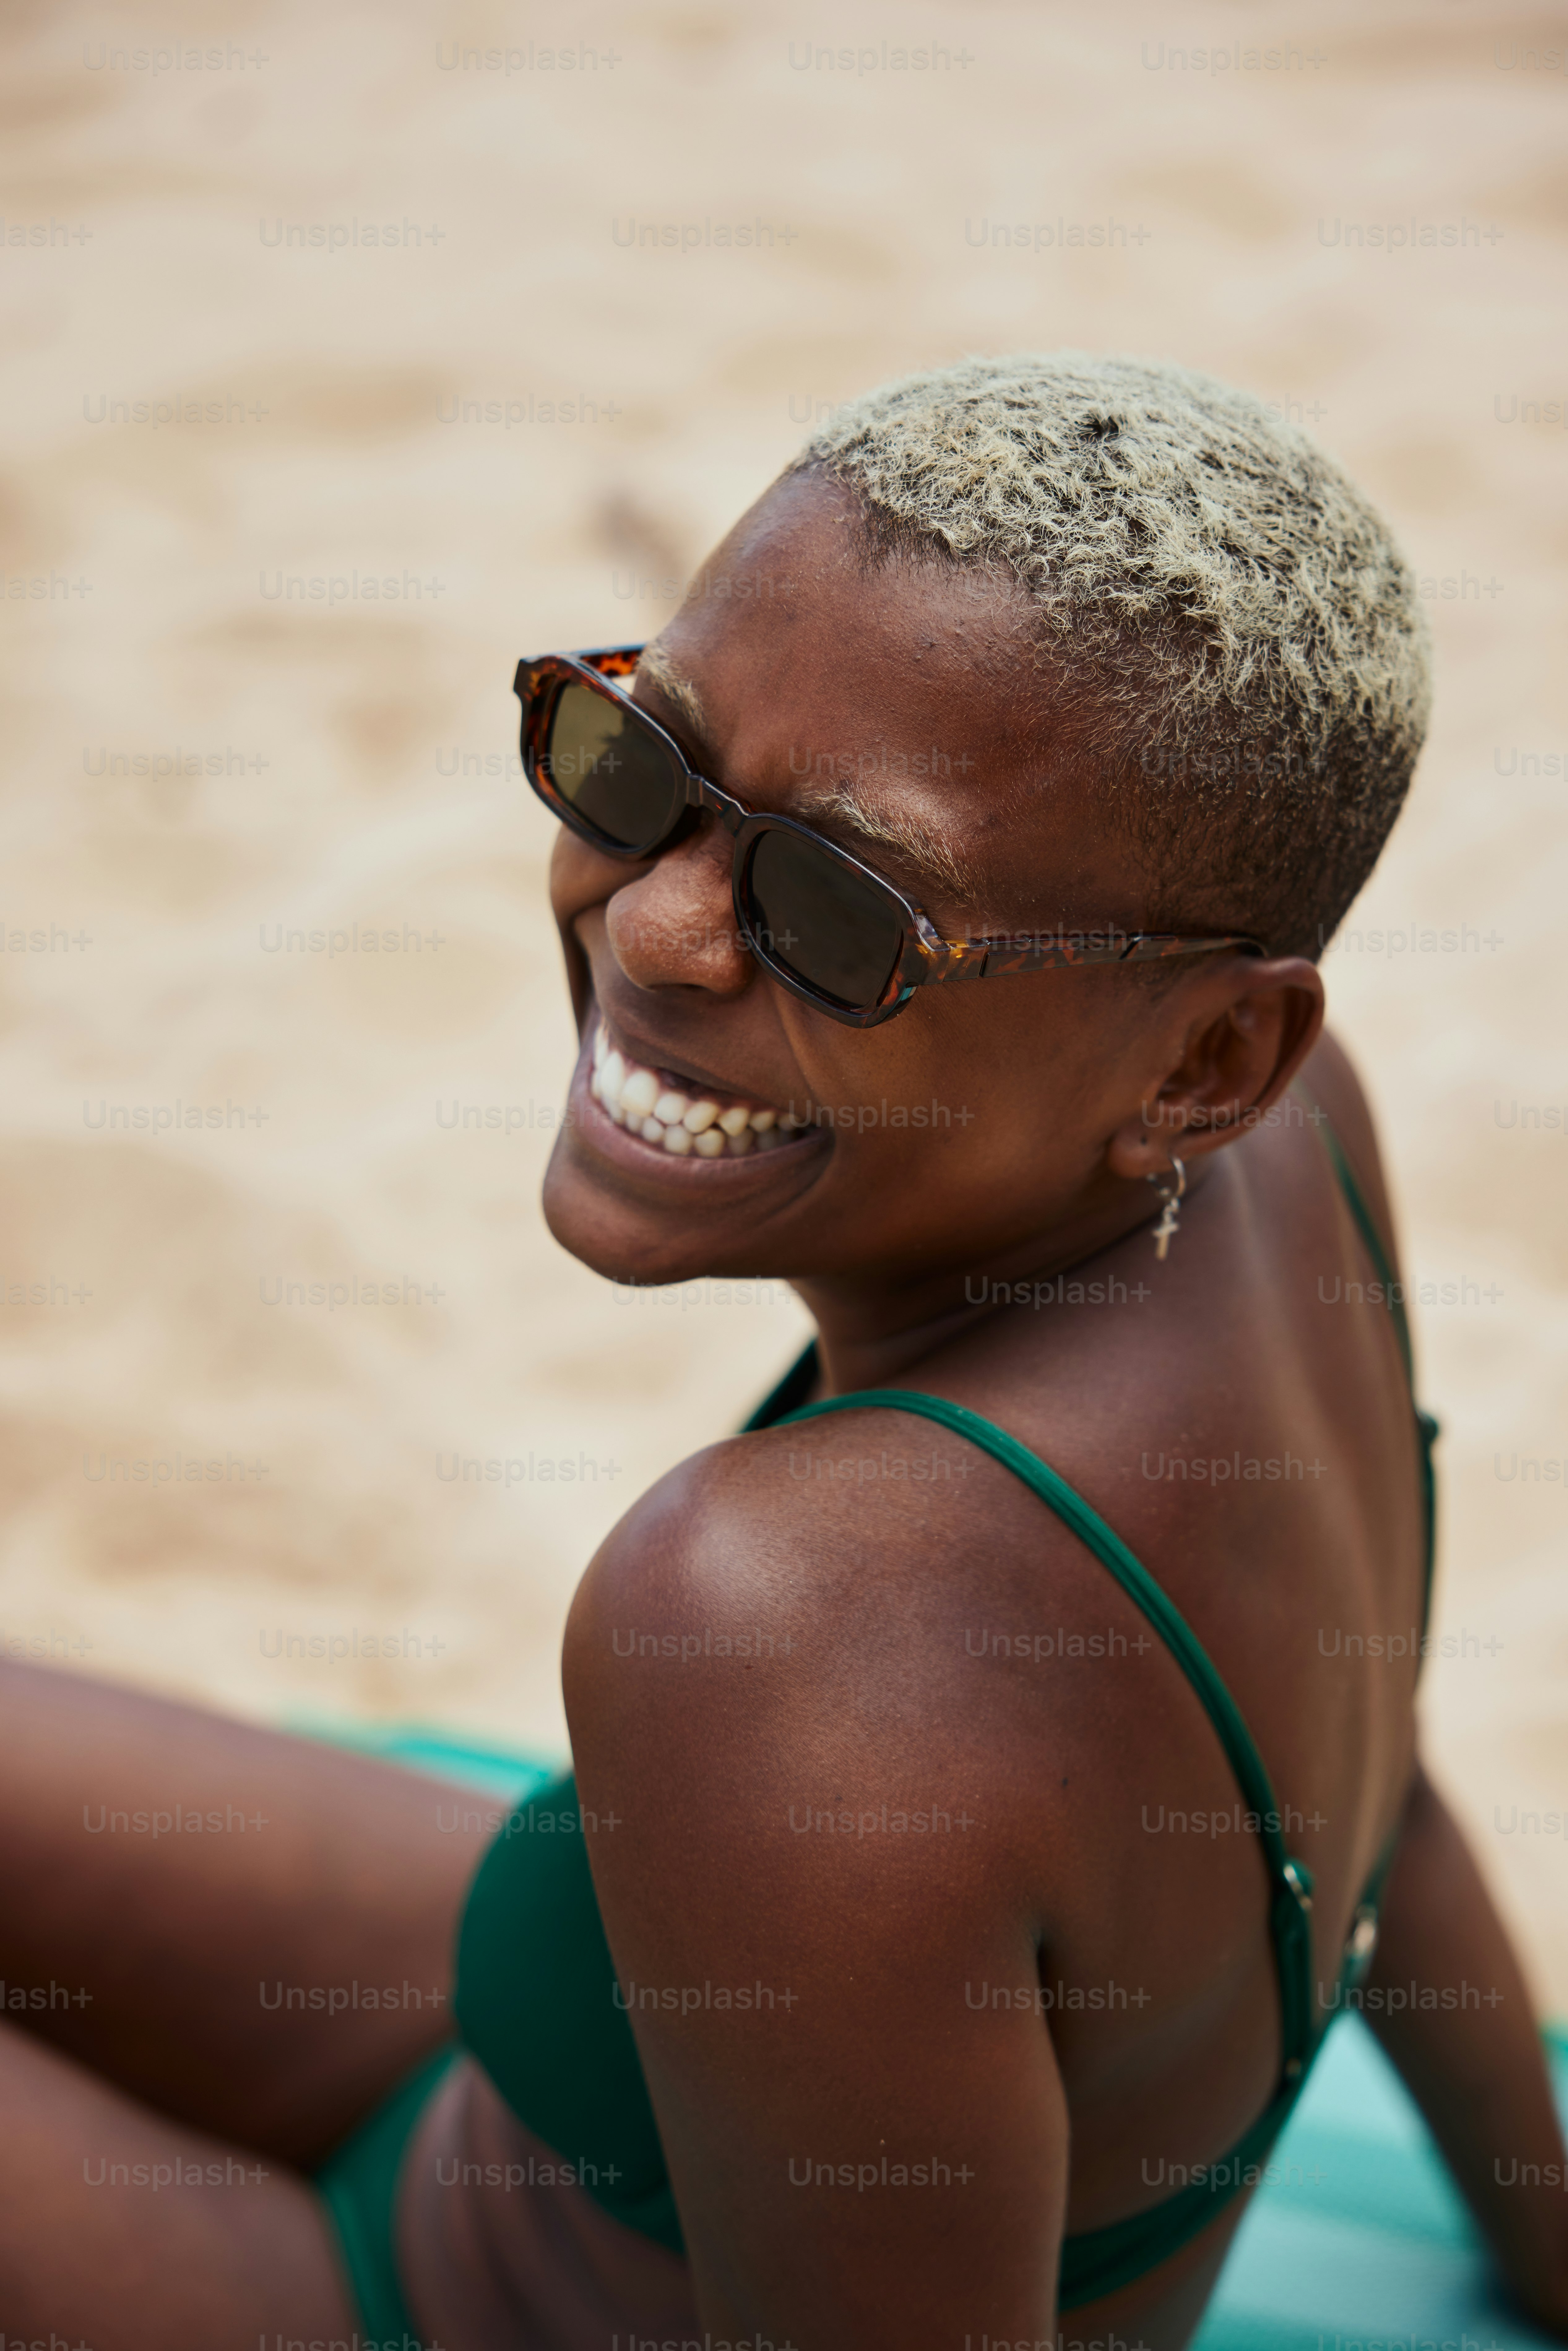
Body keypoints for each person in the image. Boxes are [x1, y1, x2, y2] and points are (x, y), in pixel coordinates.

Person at [3, 352, 1565, 2351]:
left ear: (1207, 1057)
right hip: (572, 2103)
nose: (656, 928)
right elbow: (1390, 1788)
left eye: (844, 904)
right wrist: (1546, 2236)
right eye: (638, 762)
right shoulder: (1300, 1149)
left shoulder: (788, 1633)